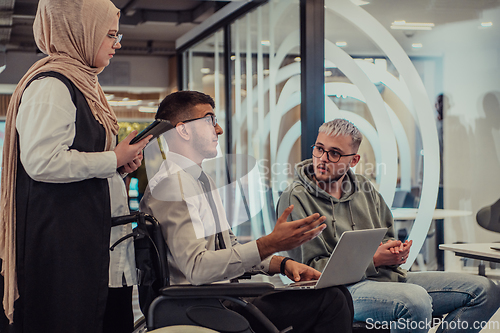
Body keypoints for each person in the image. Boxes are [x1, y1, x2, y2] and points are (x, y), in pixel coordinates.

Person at [139, 91, 354, 333]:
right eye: (209, 120)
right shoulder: (172, 186)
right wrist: (267, 244)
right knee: (332, 301)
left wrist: (281, 263)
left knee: (338, 295)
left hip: (222, 298)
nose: (218, 129)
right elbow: (196, 268)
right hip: (201, 306)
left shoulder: (200, 180)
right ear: (184, 130)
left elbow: (227, 246)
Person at [0, 0, 151, 332]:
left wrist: (118, 168)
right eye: (110, 34)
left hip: (90, 249)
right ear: (80, 32)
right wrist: (112, 158)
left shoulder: (83, 83)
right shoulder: (52, 86)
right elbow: (42, 161)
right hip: (66, 254)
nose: (118, 43)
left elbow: (78, 162)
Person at [277, 118, 500, 333]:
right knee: (415, 300)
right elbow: (310, 272)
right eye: (319, 148)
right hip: (337, 294)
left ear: (353, 161)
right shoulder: (295, 197)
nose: (322, 158)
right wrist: (373, 260)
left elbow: (384, 237)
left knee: (486, 291)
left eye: (334, 153)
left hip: (387, 279)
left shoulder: (365, 188)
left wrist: (394, 251)